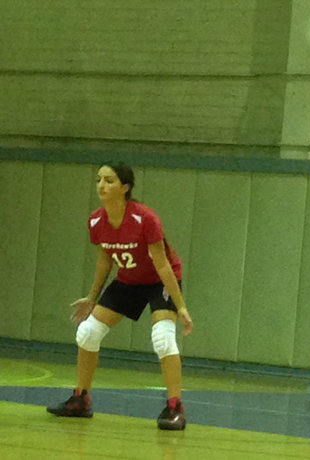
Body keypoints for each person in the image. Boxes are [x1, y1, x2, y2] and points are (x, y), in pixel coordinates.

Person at [47, 162, 193, 430]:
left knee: (162, 338)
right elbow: (105, 259)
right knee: (87, 332)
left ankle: (175, 407)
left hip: (159, 280)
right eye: (99, 179)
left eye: (109, 180)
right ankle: (81, 399)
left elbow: (162, 264)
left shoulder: (145, 219)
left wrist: (180, 306)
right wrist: (92, 298)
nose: (102, 185)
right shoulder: (95, 220)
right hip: (128, 280)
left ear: (125, 187)